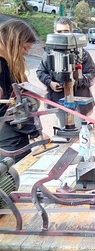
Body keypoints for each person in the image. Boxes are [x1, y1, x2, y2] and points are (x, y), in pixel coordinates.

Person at [36, 17, 95, 129]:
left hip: (79, 101)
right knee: (62, 132)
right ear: (54, 32)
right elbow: (40, 72)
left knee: (79, 134)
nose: (62, 35)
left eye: (66, 31)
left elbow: (92, 73)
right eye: (59, 32)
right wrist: (50, 83)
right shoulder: (49, 53)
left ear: (71, 32)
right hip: (58, 101)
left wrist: (78, 80)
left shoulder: (82, 53)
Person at [0, 19, 40, 162]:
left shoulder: (7, 64)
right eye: (25, 48)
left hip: (16, 137)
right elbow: (6, 109)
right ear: (14, 42)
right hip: (8, 142)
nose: (26, 53)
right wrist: (34, 130)